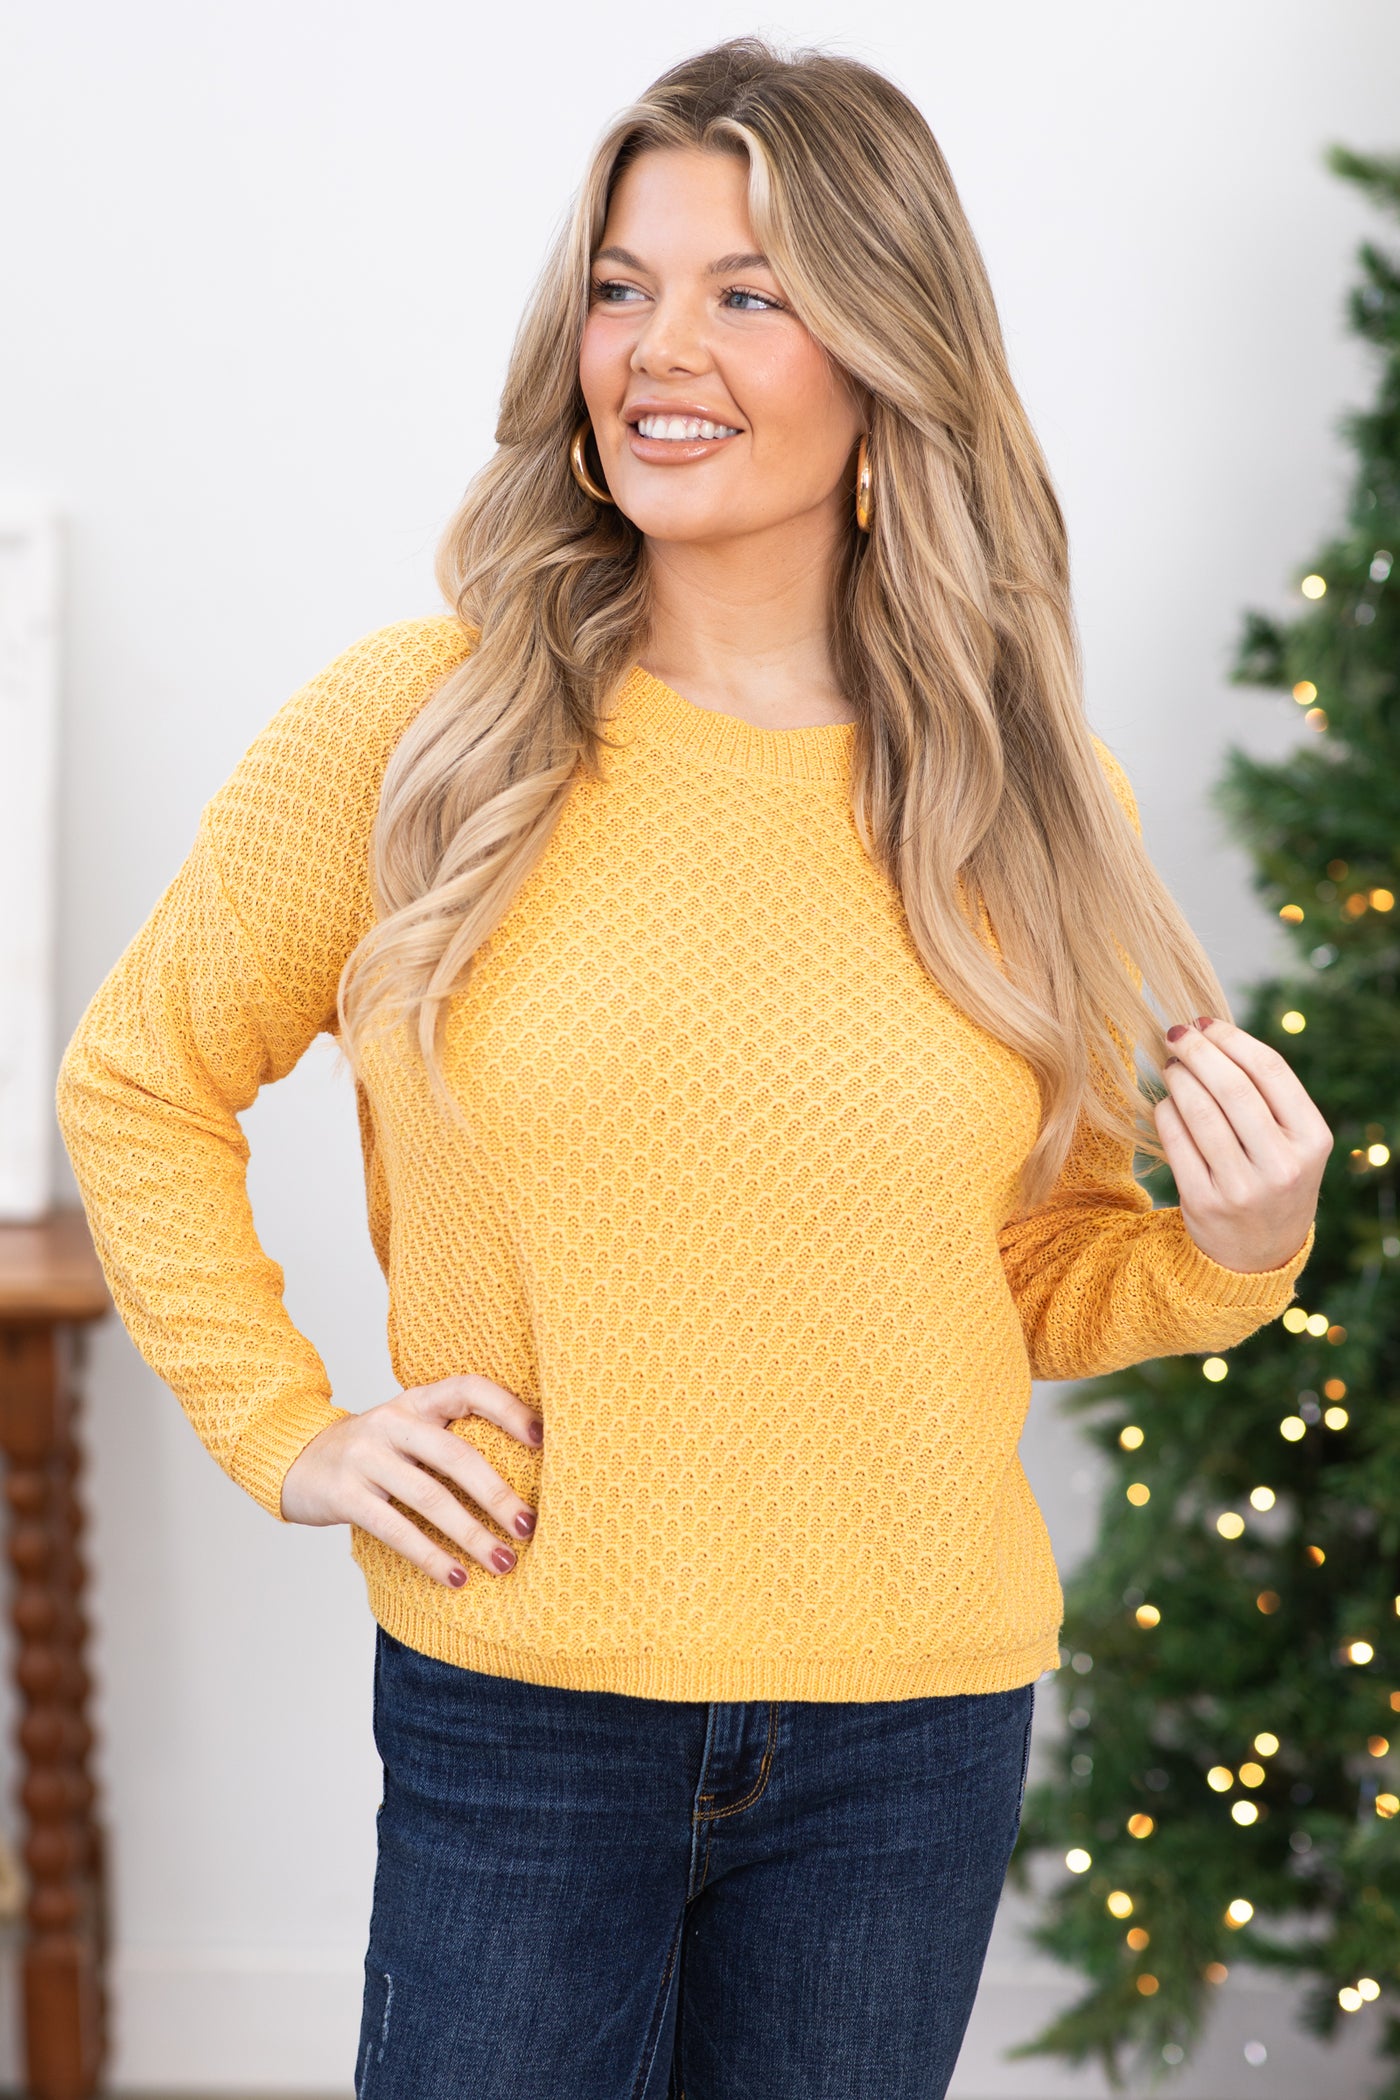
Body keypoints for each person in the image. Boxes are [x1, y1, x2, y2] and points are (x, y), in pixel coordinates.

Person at [55, 36, 1331, 2100]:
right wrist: (288, 1430)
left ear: (888, 352)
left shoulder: (1029, 799)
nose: (659, 348)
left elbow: (1031, 1274)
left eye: (749, 292)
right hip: (526, 1706)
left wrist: (1235, 1247)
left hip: (907, 1737)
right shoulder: (422, 730)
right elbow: (139, 1077)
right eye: (621, 286)